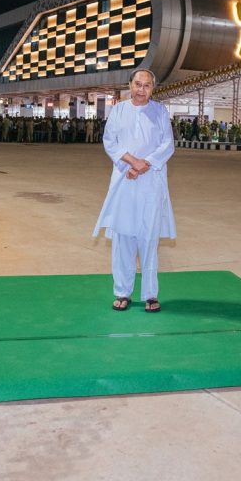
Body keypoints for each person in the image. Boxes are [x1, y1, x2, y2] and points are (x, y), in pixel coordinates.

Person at [93, 69, 176, 314]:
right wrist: (131, 162)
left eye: (147, 85)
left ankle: (150, 294)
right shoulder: (118, 110)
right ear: (130, 85)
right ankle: (122, 292)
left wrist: (144, 164)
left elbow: (167, 145)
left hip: (151, 181)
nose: (141, 90)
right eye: (137, 84)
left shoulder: (160, 112)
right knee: (123, 237)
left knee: (148, 238)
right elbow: (110, 142)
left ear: (153, 88)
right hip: (123, 182)